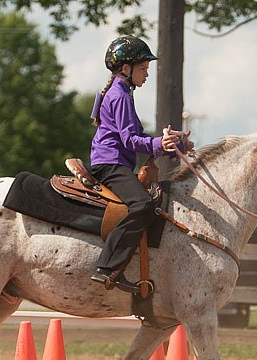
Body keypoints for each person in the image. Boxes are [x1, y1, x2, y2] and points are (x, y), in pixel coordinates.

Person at [88, 36, 192, 294]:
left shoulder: (120, 92)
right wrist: (159, 144)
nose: (146, 75)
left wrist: (171, 143)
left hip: (113, 162)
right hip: (110, 164)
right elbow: (129, 139)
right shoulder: (120, 95)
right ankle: (108, 267)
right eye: (143, 69)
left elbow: (138, 137)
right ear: (126, 68)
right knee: (143, 205)